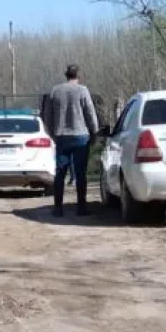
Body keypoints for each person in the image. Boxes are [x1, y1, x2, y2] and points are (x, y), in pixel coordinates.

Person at [44, 64, 99, 217]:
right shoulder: (83, 90)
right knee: (81, 173)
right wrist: (94, 132)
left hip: (61, 136)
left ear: (66, 75)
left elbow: (48, 116)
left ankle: (58, 208)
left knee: (60, 172)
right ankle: (81, 207)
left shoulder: (55, 91)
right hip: (81, 136)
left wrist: (51, 133)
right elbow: (90, 113)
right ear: (78, 75)